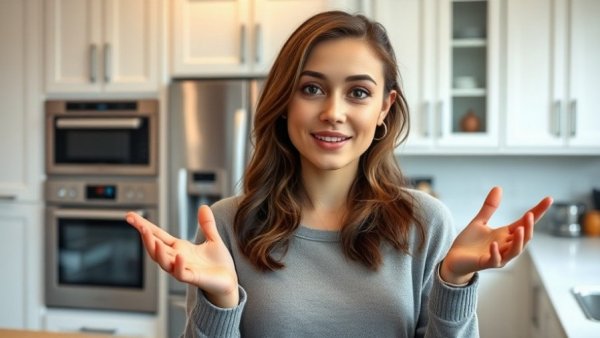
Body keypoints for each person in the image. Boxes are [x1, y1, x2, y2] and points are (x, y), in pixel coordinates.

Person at [125, 11, 553, 337]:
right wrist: (220, 302)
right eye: (311, 88)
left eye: (359, 93)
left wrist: (453, 281)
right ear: (285, 101)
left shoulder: (425, 222)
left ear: (384, 107)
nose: (333, 112)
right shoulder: (225, 225)